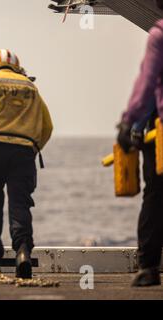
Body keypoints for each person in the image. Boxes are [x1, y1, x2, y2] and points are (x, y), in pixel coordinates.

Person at [0, 49, 53, 279]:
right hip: (24, 153)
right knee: (20, 204)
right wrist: (34, 147)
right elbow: (47, 126)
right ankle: (23, 252)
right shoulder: (30, 86)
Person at [117, 0, 163, 287]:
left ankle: (148, 267)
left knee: (156, 194)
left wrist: (128, 123)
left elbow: (147, 83)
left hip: (159, 133)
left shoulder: (159, 35)